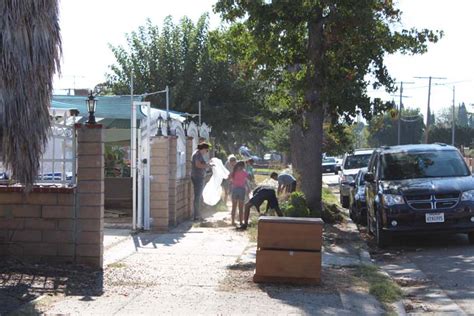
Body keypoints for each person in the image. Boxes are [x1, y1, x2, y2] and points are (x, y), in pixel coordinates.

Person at [191, 142, 211, 221]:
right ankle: (197, 216)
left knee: (199, 197)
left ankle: (198, 215)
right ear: (203, 148)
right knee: (198, 197)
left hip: (198, 176)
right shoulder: (197, 154)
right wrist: (207, 165)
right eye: (206, 150)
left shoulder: (198, 154)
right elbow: (198, 165)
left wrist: (207, 164)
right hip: (197, 177)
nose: (206, 152)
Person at [230, 161, 248, 226]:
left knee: (234, 207)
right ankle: (241, 222)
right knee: (241, 207)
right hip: (242, 190)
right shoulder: (244, 172)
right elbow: (248, 178)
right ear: (243, 166)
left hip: (234, 189)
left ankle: (232, 221)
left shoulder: (233, 172)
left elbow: (229, 178)